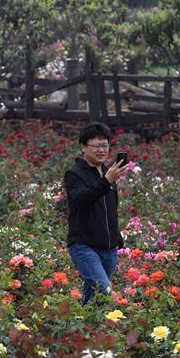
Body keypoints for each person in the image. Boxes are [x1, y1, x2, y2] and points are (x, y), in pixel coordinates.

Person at [64, 123, 127, 304]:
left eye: (105, 145)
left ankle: (86, 322)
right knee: (104, 290)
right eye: (96, 146)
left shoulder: (108, 172)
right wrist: (106, 181)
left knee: (95, 299)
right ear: (83, 147)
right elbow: (83, 199)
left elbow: (111, 209)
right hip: (84, 245)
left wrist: (116, 237)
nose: (101, 150)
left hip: (109, 248)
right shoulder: (74, 174)